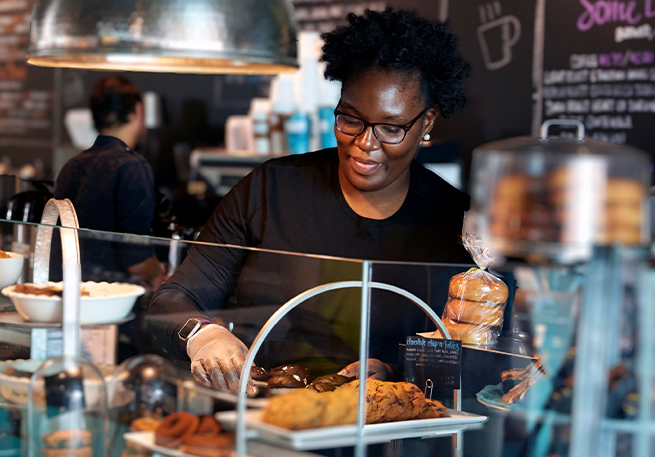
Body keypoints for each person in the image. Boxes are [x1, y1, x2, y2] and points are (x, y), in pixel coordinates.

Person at [147, 9, 473, 392]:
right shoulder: (271, 190)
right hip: (263, 424)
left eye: (391, 128)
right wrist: (202, 335)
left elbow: (472, 348)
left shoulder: (453, 221)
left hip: (387, 435)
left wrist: (397, 370)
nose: (365, 144)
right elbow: (172, 299)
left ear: (427, 122)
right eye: (350, 119)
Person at [53, 76, 164, 287]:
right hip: (111, 301)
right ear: (138, 110)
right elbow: (137, 263)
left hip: (68, 295)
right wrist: (158, 270)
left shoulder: (71, 166)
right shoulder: (133, 168)